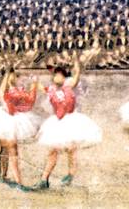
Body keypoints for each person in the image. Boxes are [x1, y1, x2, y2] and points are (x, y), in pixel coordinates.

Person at [35, 57, 103, 189]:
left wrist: (77, 63)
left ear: (64, 77)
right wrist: (35, 81)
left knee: (71, 151)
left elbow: (76, 76)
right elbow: (41, 88)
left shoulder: (69, 86)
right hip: (57, 122)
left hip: (71, 121)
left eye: (60, 75)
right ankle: (44, 179)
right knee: (53, 151)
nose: (57, 77)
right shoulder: (51, 89)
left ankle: (70, 176)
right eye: (55, 75)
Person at [0, 67, 40, 191]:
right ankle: (18, 182)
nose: (16, 78)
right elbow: (2, 92)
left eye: (16, 76)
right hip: (5, 121)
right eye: (14, 75)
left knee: (5, 150)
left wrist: (34, 85)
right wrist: (8, 73)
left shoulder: (18, 90)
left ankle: (3, 176)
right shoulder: (8, 90)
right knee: (12, 150)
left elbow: (29, 102)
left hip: (13, 120)